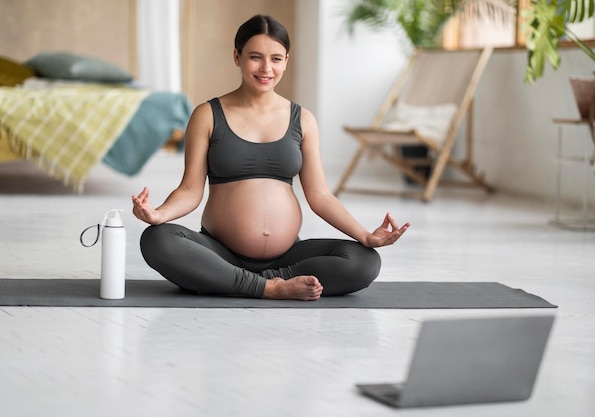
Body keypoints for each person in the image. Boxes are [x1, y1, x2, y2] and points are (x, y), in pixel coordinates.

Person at [132, 14, 410, 301]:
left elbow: (320, 196)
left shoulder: (303, 119)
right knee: (157, 239)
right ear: (237, 57)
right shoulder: (207, 115)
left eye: (276, 59)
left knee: (365, 261)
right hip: (220, 252)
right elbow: (190, 190)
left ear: (286, 60)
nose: (266, 68)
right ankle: (268, 288)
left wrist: (365, 236)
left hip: (286, 259)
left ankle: (238, 282)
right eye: (255, 57)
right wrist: (158, 215)